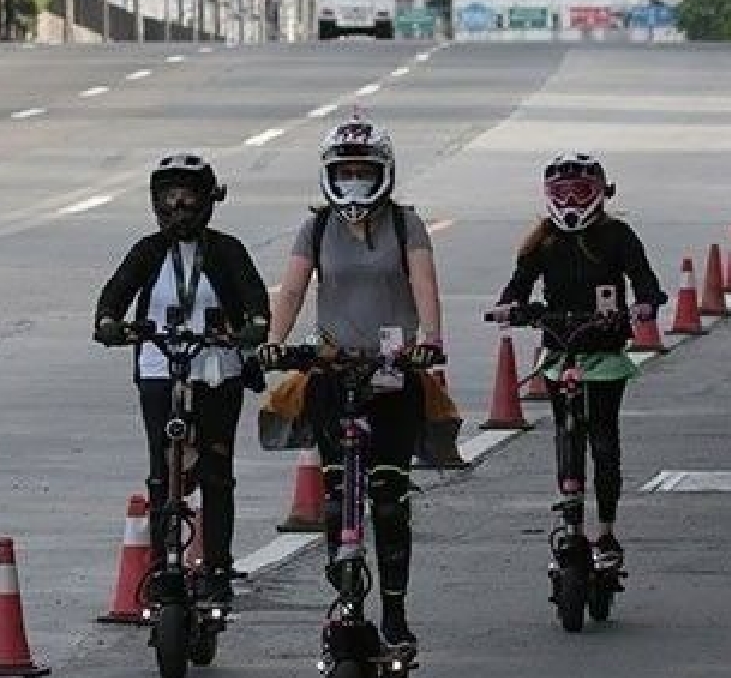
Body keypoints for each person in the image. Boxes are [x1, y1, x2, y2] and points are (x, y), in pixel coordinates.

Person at [260, 118, 445, 648]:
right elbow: (292, 290)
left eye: (366, 171)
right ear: (329, 175)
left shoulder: (407, 225)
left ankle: (393, 611)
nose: (356, 182)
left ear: (385, 172)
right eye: (346, 172)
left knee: (387, 494)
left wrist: (429, 339)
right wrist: (276, 340)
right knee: (339, 494)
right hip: (332, 371)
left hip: (391, 372)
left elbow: (424, 282)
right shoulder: (316, 229)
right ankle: (345, 597)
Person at [93, 154, 271, 605]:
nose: (178, 206)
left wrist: (250, 327)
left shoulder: (227, 250)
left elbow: (255, 301)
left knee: (216, 471)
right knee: (160, 469)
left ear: (208, 199)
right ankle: (160, 563)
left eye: (188, 195)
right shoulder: (147, 251)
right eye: (168, 195)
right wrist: (111, 323)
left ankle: (217, 566)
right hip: (159, 365)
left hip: (216, 370)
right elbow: (114, 296)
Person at [487, 154, 667, 570]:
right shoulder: (542, 241)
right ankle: (572, 525)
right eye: (561, 193)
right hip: (560, 352)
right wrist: (509, 307)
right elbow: (517, 286)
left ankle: (604, 530)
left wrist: (643, 304)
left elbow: (644, 279)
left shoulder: (617, 235)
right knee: (567, 436)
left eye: (580, 192)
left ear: (600, 194)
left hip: (603, 354)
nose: (570, 201)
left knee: (602, 439)